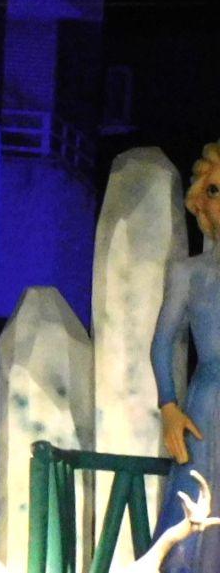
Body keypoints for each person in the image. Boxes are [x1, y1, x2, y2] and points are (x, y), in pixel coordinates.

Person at [153, 140, 220, 571]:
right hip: (208, 406)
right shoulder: (189, 273)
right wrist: (169, 407)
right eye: (214, 191)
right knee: (199, 498)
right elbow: (162, 343)